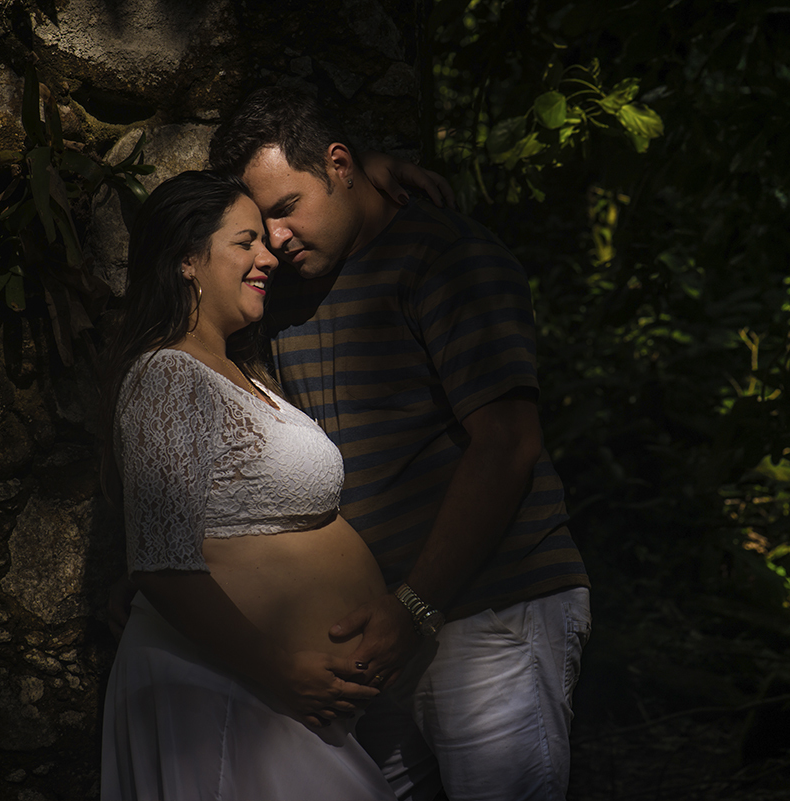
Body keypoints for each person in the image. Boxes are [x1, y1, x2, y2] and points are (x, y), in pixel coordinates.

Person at [208, 88, 592, 801]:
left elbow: (507, 443)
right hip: (375, 629)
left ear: (340, 165)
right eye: (263, 223)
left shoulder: (447, 259)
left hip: (491, 611)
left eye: (288, 206)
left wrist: (415, 606)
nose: (278, 238)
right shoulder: (285, 293)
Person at [99, 169, 403, 800]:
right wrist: (282, 670)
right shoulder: (167, 375)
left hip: (259, 697)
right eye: (246, 242)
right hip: (228, 694)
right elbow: (159, 564)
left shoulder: (240, 370)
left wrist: (379, 168)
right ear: (187, 259)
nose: (268, 257)